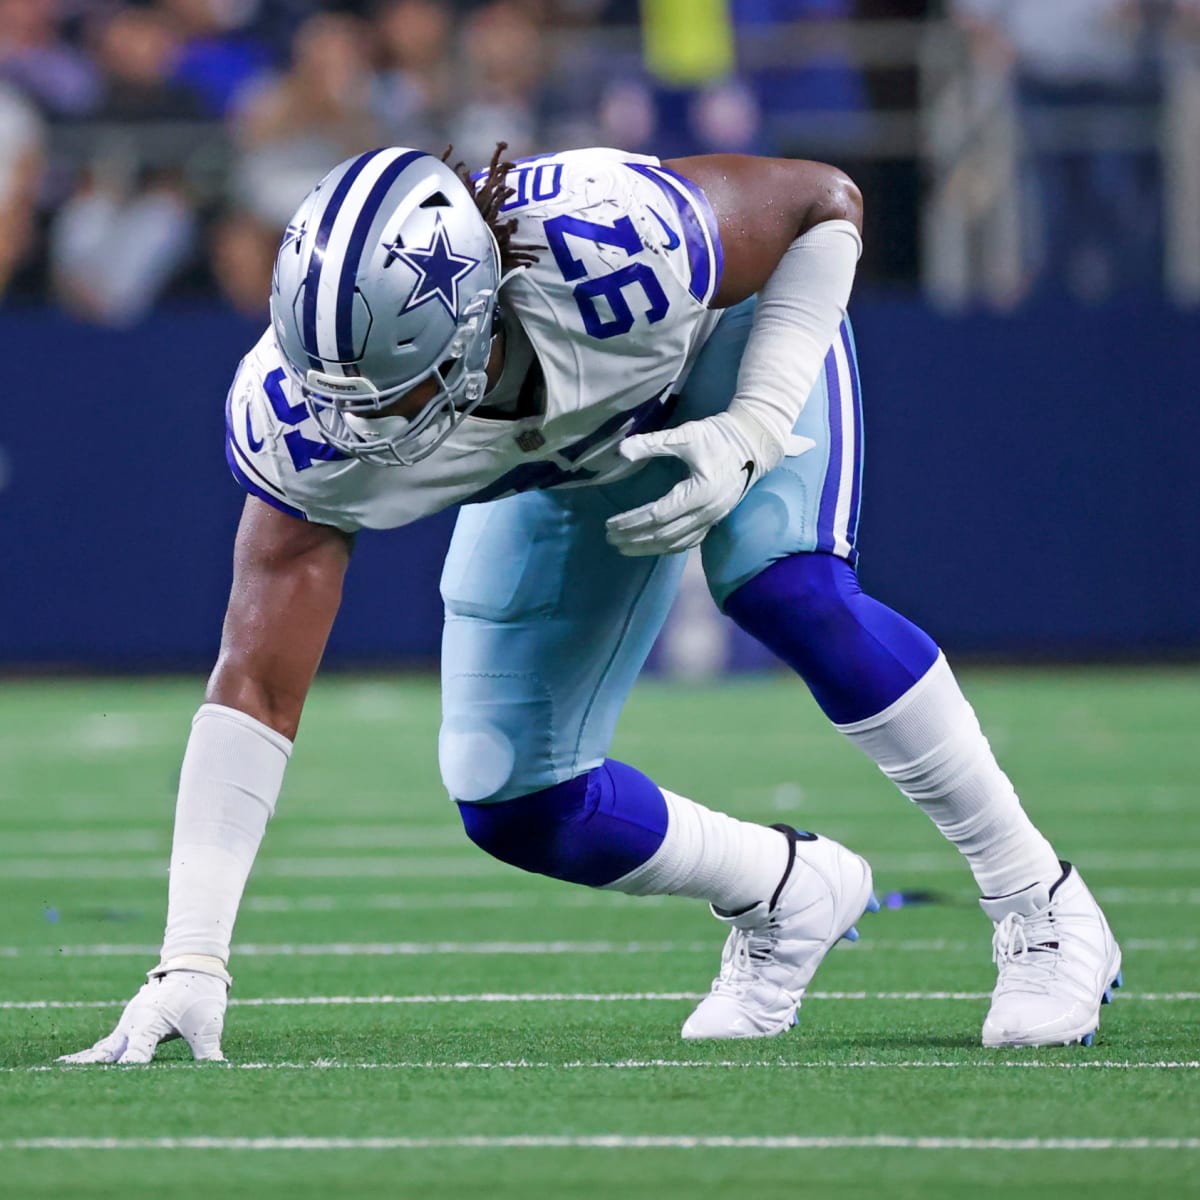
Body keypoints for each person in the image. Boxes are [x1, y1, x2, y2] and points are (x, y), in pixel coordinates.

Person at [61, 141, 1121, 1064]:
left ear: (475, 321)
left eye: (396, 390)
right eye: (338, 391)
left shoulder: (612, 242)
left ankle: (1041, 900)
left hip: (722, 347)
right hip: (572, 455)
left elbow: (820, 202)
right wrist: (192, 957)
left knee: (779, 582)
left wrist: (755, 421)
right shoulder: (303, 417)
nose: (360, 426)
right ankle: (788, 891)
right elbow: (252, 685)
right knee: (511, 796)